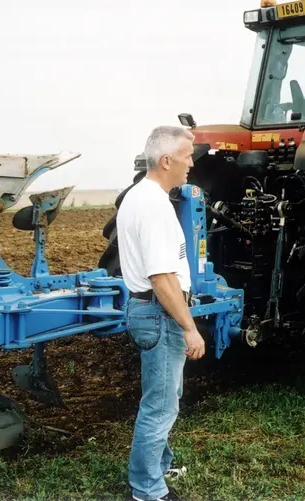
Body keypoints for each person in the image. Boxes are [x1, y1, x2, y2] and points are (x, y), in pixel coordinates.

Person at [116, 125, 206, 501]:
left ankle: (160, 465)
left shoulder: (141, 197)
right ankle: (147, 490)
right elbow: (162, 277)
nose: (190, 165)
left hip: (149, 309)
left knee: (167, 393)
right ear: (166, 160)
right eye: (186, 156)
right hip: (160, 312)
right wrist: (190, 327)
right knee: (160, 405)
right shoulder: (152, 205)